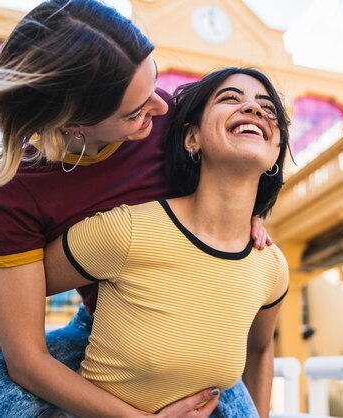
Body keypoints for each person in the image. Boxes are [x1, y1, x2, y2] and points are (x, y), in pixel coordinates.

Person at [0, 1, 269, 417]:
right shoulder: (18, 192)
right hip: (103, 333)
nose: (160, 108)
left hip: (204, 334)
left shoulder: (172, 121)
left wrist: (249, 212)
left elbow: (239, 161)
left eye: (154, 82)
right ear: (73, 125)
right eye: (135, 112)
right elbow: (23, 353)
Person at [43, 67, 290, 417]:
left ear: (276, 147)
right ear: (192, 138)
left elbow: (261, 350)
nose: (254, 110)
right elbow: (11, 296)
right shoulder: (126, 230)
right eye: (231, 99)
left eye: (268, 108)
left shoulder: (271, 266)